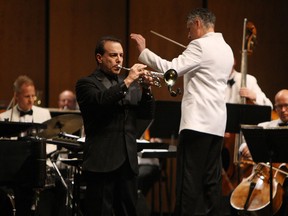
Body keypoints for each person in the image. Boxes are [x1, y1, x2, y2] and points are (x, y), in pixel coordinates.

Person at [131, 7, 234, 216]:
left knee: (188, 181)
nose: (188, 35)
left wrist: (144, 52)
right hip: (216, 124)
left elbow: (171, 69)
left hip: (196, 124)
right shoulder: (226, 49)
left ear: (197, 23)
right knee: (210, 181)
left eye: (189, 29)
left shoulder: (200, 45)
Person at [75, 35, 155, 215]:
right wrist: (128, 81)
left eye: (121, 55)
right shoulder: (87, 84)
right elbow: (102, 102)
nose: (119, 60)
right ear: (99, 58)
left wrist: (147, 91)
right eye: (113, 55)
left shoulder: (131, 86)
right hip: (102, 162)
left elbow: (145, 116)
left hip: (127, 162)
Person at [0, 75, 51, 216]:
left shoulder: (44, 113)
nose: (31, 100)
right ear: (16, 96)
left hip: (38, 166)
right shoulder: (4, 117)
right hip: (14, 170)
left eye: (33, 96)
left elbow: (50, 141)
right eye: (27, 96)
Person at [235, 89, 288, 216]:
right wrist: (245, 148)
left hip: (284, 177)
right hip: (266, 176)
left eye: (286, 105)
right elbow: (243, 143)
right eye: (279, 106)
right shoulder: (265, 125)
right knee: (240, 202)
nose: (283, 110)